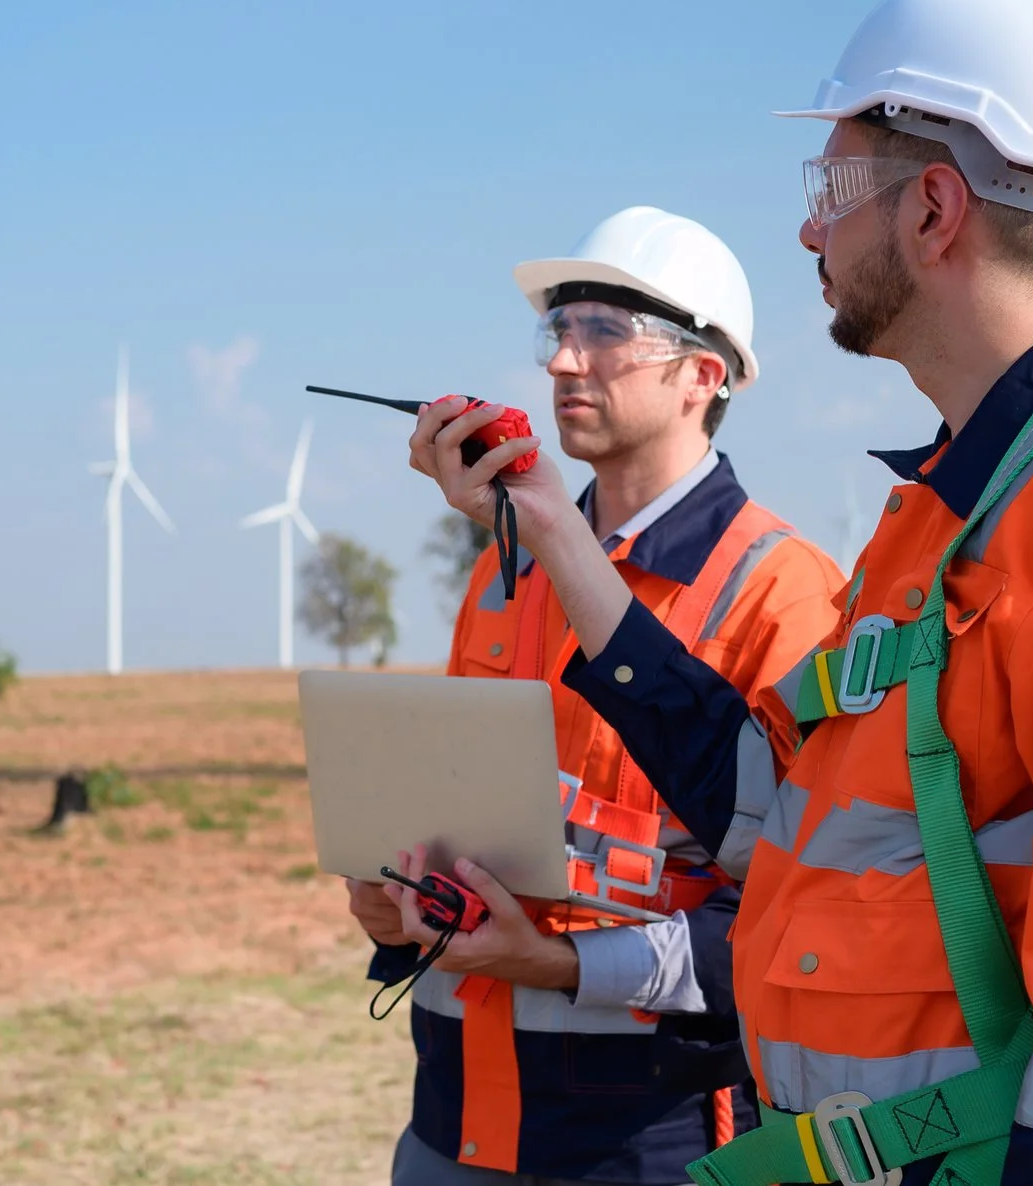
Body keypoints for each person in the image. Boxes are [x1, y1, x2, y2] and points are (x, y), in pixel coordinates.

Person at [408, 0, 1033, 1186]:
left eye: (830, 186)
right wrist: (548, 530)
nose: (806, 227)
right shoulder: (949, 513)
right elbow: (760, 795)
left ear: (934, 211)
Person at [348, 205, 847, 1186]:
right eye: (559, 332)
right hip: (453, 1125)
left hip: (649, 1142)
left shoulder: (784, 593)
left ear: (705, 374)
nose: (563, 363)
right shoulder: (504, 571)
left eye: (605, 333)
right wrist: (393, 898)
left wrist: (563, 966)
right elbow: (473, 829)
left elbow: (799, 918)